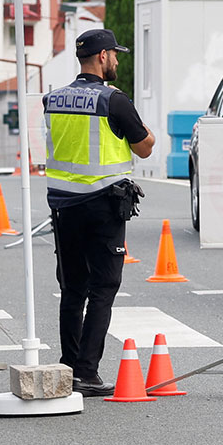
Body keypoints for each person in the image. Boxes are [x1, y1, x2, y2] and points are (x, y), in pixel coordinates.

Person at [43, 28, 155, 397]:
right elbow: (144, 149)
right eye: (115, 55)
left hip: (62, 206)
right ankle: (87, 373)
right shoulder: (113, 100)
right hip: (103, 204)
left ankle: (69, 367)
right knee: (104, 287)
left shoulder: (53, 99)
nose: (118, 60)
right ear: (103, 57)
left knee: (72, 288)